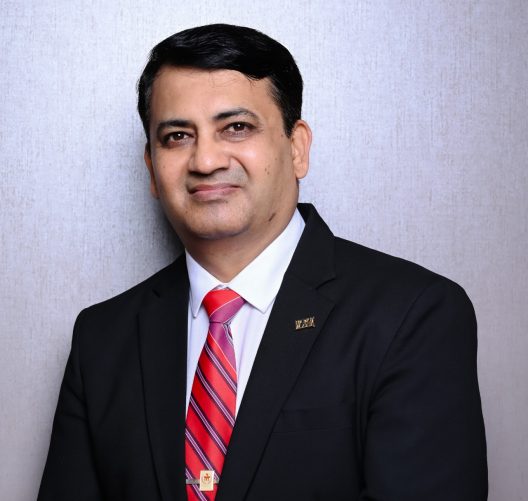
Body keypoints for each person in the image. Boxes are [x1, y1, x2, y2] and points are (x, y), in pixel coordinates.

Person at [38, 24, 487, 501]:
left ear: (297, 148)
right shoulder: (102, 339)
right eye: (177, 136)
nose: (205, 160)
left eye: (236, 127)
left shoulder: (411, 315)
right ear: (152, 167)